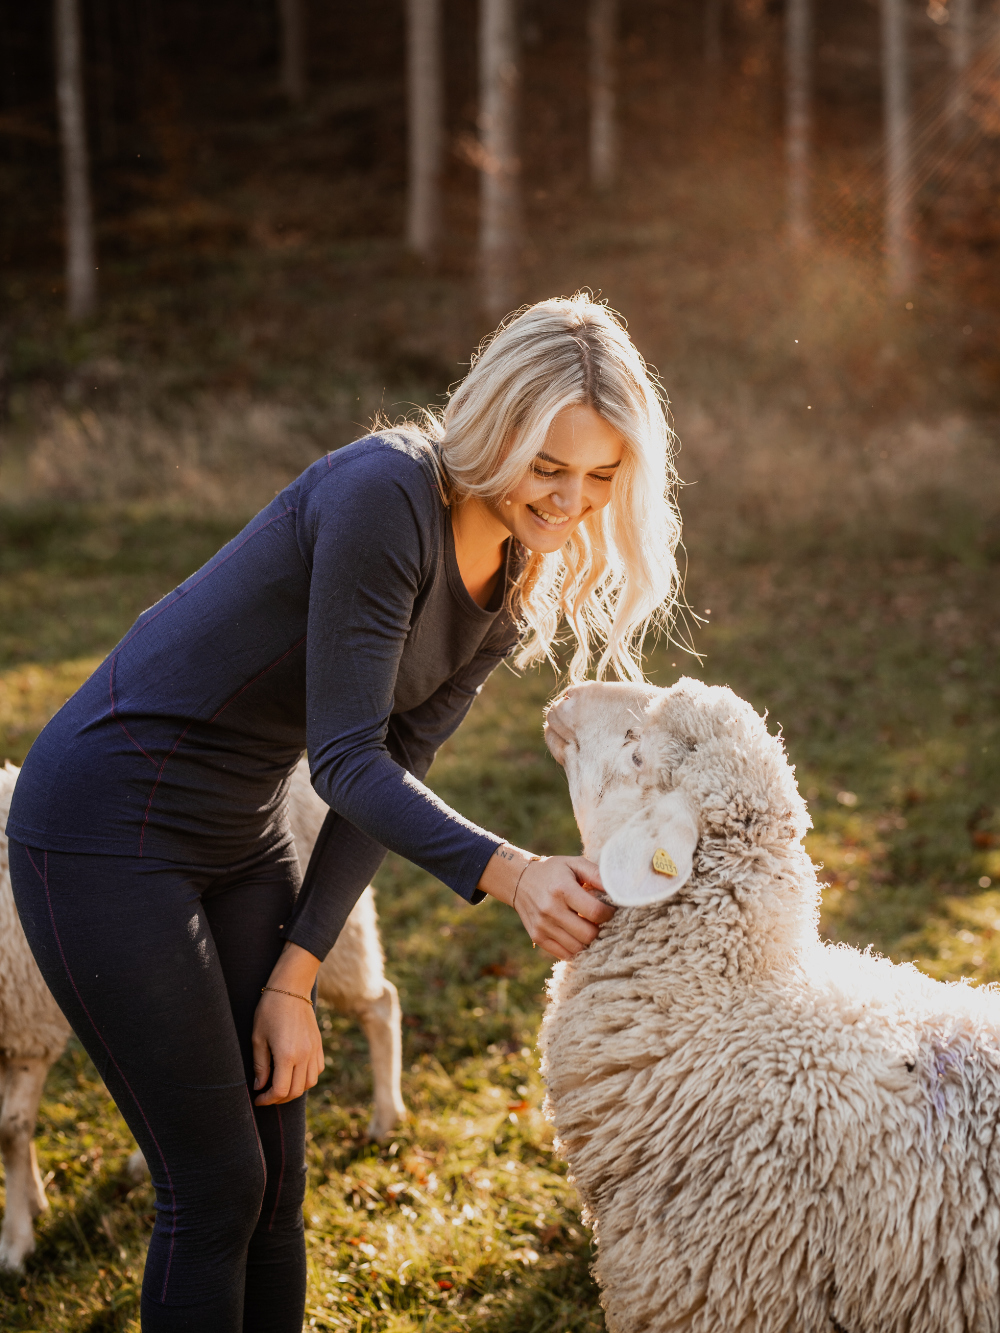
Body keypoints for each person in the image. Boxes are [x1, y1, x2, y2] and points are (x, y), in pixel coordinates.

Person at [5, 293, 682, 1331]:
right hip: (102, 825)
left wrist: (296, 971)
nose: (569, 501)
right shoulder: (384, 495)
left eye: (599, 478)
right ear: (494, 422)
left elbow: (393, 765)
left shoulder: (513, 574)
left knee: (278, 1183)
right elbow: (348, 757)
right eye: (547, 467)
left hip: (241, 835)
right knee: (218, 1183)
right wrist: (512, 871)